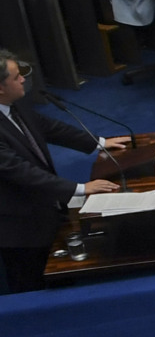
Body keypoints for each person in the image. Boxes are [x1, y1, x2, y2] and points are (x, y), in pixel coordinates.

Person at [0, 49, 126, 294]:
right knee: (29, 283)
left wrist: (97, 142)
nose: (24, 79)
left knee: (56, 269)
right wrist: (78, 189)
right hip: (15, 224)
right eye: (16, 77)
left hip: (40, 206)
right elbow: (21, 172)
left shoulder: (15, 104)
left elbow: (49, 127)